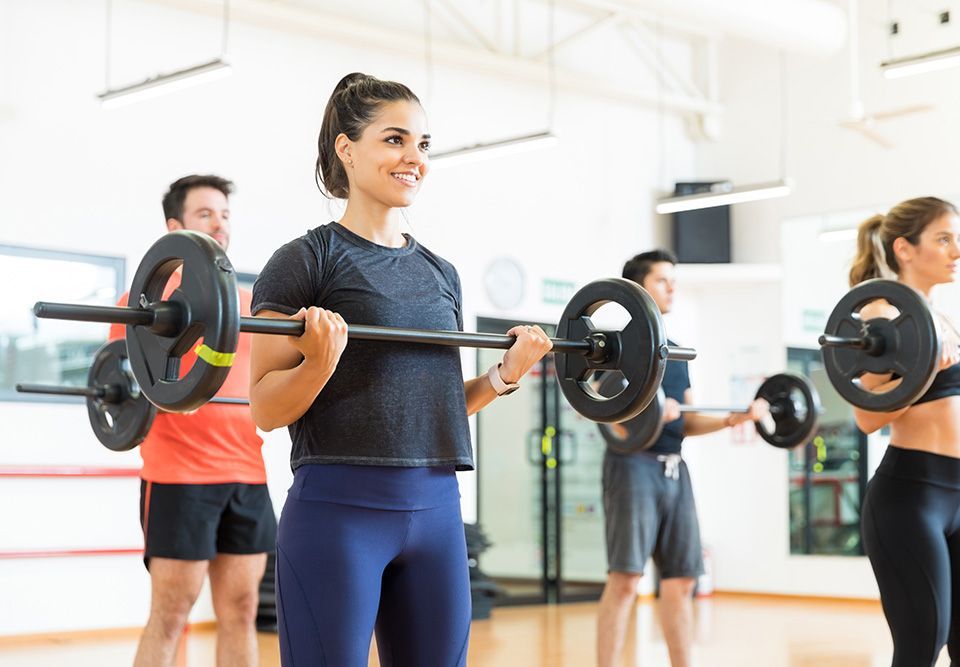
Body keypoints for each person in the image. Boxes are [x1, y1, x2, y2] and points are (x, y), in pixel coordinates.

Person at [248, 73, 553, 666]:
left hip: (437, 509)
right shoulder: (305, 260)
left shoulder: (442, 273)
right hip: (339, 510)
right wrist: (319, 362)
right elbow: (265, 407)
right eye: (395, 140)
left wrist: (504, 376)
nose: (415, 158)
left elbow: (431, 400)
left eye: (423, 144)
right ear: (347, 148)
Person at [110, 175, 276, 667]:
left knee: (242, 610)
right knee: (171, 614)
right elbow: (117, 385)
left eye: (224, 215)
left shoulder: (250, 307)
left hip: (247, 476)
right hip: (179, 475)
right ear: (175, 226)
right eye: (206, 214)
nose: (219, 224)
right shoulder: (141, 308)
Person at [596, 249, 768, 667]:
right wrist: (650, 415)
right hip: (632, 465)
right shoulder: (614, 348)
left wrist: (732, 419)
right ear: (638, 289)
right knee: (627, 578)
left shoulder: (674, 352)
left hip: (675, 468)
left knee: (682, 579)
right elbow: (602, 411)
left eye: (674, 280)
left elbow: (686, 419)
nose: (672, 287)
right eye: (662, 280)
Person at [850, 197, 960, 666]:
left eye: (958, 239)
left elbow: (959, 408)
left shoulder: (946, 318)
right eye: (943, 239)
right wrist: (921, 368)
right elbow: (867, 416)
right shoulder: (883, 313)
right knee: (921, 646)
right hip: (909, 499)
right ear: (905, 248)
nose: (957, 251)